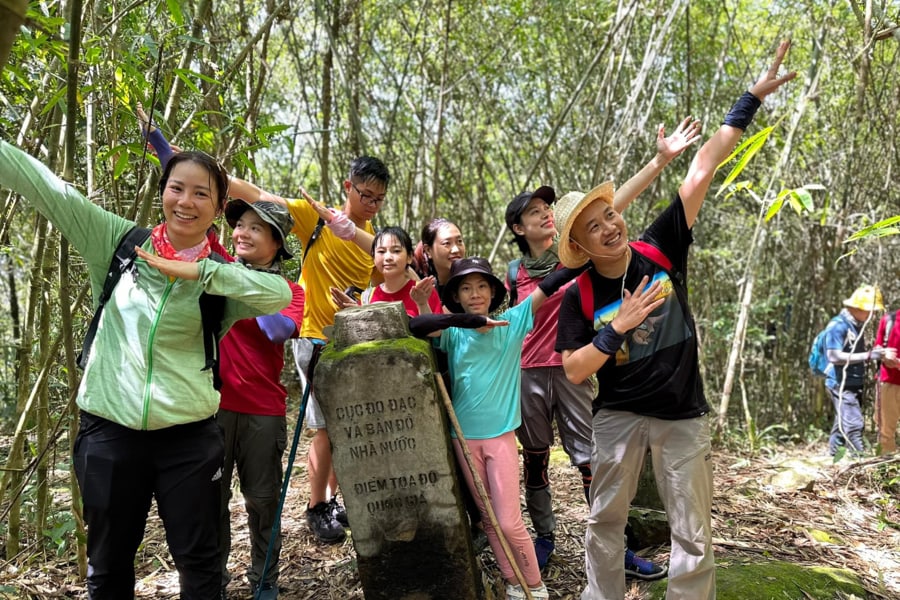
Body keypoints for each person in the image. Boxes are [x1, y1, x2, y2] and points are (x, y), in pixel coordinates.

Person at [554, 40, 797, 599]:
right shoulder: (580, 294)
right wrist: (616, 327)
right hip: (617, 418)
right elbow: (572, 369)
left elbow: (703, 166)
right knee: (604, 523)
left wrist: (750, 99)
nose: (609, 227)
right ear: (579, 245)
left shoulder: (660, 247)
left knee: (693, 531)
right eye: (594, 226)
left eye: (610, 214)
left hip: (682, 415)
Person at [0, 140, 291, 599]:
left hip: (190, 437)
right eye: (177, 188)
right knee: (109, 565)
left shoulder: (222, 275)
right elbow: (48, 190)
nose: (186, 202)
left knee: (200, 566)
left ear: (218, 207)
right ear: (162, 192)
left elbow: (277, 295)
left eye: (202, 194)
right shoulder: (118, 242)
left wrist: (199, 272)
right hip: (109, 432)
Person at [504, 117, 700, 574]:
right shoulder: (513, 275)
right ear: (518, 227)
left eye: (548, 209)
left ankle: (620, 550)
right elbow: (497, 322)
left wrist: (658, 161)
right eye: (534, 213)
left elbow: (613, 207)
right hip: (530, 371)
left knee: (590, 458)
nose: (545, 215)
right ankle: (545, 536)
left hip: (572, 367)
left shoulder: (576, 256)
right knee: (534, 459)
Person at [226, 157, 390, 544]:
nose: (370, 203)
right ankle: (316, 506)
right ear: (347, 186)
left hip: (351, 338)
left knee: (346, 423)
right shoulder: (314, 218)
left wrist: (355, 235)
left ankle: (332, 498)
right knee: (323, 427)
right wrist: (205, 173)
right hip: (313, 334)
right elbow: (258, 196)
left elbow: (389, 270)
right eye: (364, 194)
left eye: (378, 198)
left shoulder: (371, 239)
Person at [428, 256, 585, 600]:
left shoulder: (513, 321)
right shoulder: (454, 331)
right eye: (466, 288)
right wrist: (464, 321)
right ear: (456, 296)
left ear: (493, 291)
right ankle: (513, 583)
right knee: (487, 518)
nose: (475, 293)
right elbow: (418, 325)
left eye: (482, 286)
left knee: (510, 520)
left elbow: (550, 285)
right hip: (463, 439)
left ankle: (534, 586)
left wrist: (580, 260)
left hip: (500, 439)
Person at [217, 200, 305, 600]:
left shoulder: (290, 290)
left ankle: (264, 580)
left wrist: (244, 281)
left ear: (277, 243)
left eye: (256, 228)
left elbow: (277, 330)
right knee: (207, 500)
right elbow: (188, 216)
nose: (243, 233)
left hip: (262, 410)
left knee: (263, 500)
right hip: (210, 405)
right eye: (240, 225)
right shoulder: (220, 264)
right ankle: (209, 579)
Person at [823, 285, 884, 456]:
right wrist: (870, 355)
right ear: (859, 308)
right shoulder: (838, 325)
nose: (872, 315)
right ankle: (860, 461)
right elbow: (834, 356)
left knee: (842, 422)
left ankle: (833, 458)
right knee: (854, 424)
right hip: (840, 382)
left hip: (853, 382)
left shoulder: (856, 325)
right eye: (870, 310)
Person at [330, 226, 441, 316]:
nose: (388, 257)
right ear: (373, 257)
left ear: (409, 257)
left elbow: (436, 333)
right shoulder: (368, 297)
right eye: (381, 251)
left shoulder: (424, 290)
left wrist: (422, 304)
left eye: (396, 251)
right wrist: (355, 312)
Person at [413, 218, 466, 296]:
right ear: (428, 250)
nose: (456, 250)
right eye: (447, 243)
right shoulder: (425, 291)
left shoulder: (476, 281)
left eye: (459, 241)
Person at [875, 307, 900, 454]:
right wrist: (884, 355)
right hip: (889, 382)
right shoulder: (889, 319)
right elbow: (877, 348)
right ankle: (885, 469)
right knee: (885, 431)